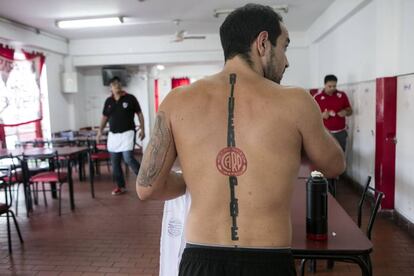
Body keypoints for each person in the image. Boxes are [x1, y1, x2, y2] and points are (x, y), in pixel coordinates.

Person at [137, 3, 345, 276]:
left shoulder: (177, 101)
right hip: (268, 261)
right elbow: (335, 165)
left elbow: (147, 187)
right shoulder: (296, 101)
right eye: (284, 46)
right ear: (262, 43)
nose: (287, 60)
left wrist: (199, 175)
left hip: (200, 258)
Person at [97, 76, 145, 195]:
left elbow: (139, 113)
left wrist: (142, 129)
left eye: (118, 83)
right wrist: (100, 131)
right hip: (114, 136)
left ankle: (144, 181)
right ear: (111, 88)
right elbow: (104, 117)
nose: (117, 86)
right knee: (115, 162)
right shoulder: (109, 101)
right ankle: (120, 186)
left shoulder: (130, 98)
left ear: (121, 85)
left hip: (128, 134)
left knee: (128, 158)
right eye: (114, 84)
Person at [313, 74, 353, 152]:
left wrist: (345, 112)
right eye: (330, 86)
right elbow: (311, 115)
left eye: (334, 86)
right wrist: (321, 115)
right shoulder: (317, 97)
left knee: (340, 155)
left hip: (340, 133)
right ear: (324, 85)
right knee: (325, 156)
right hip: (324, 133)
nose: (332, 88)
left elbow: (350, 110)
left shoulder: (342, 95)